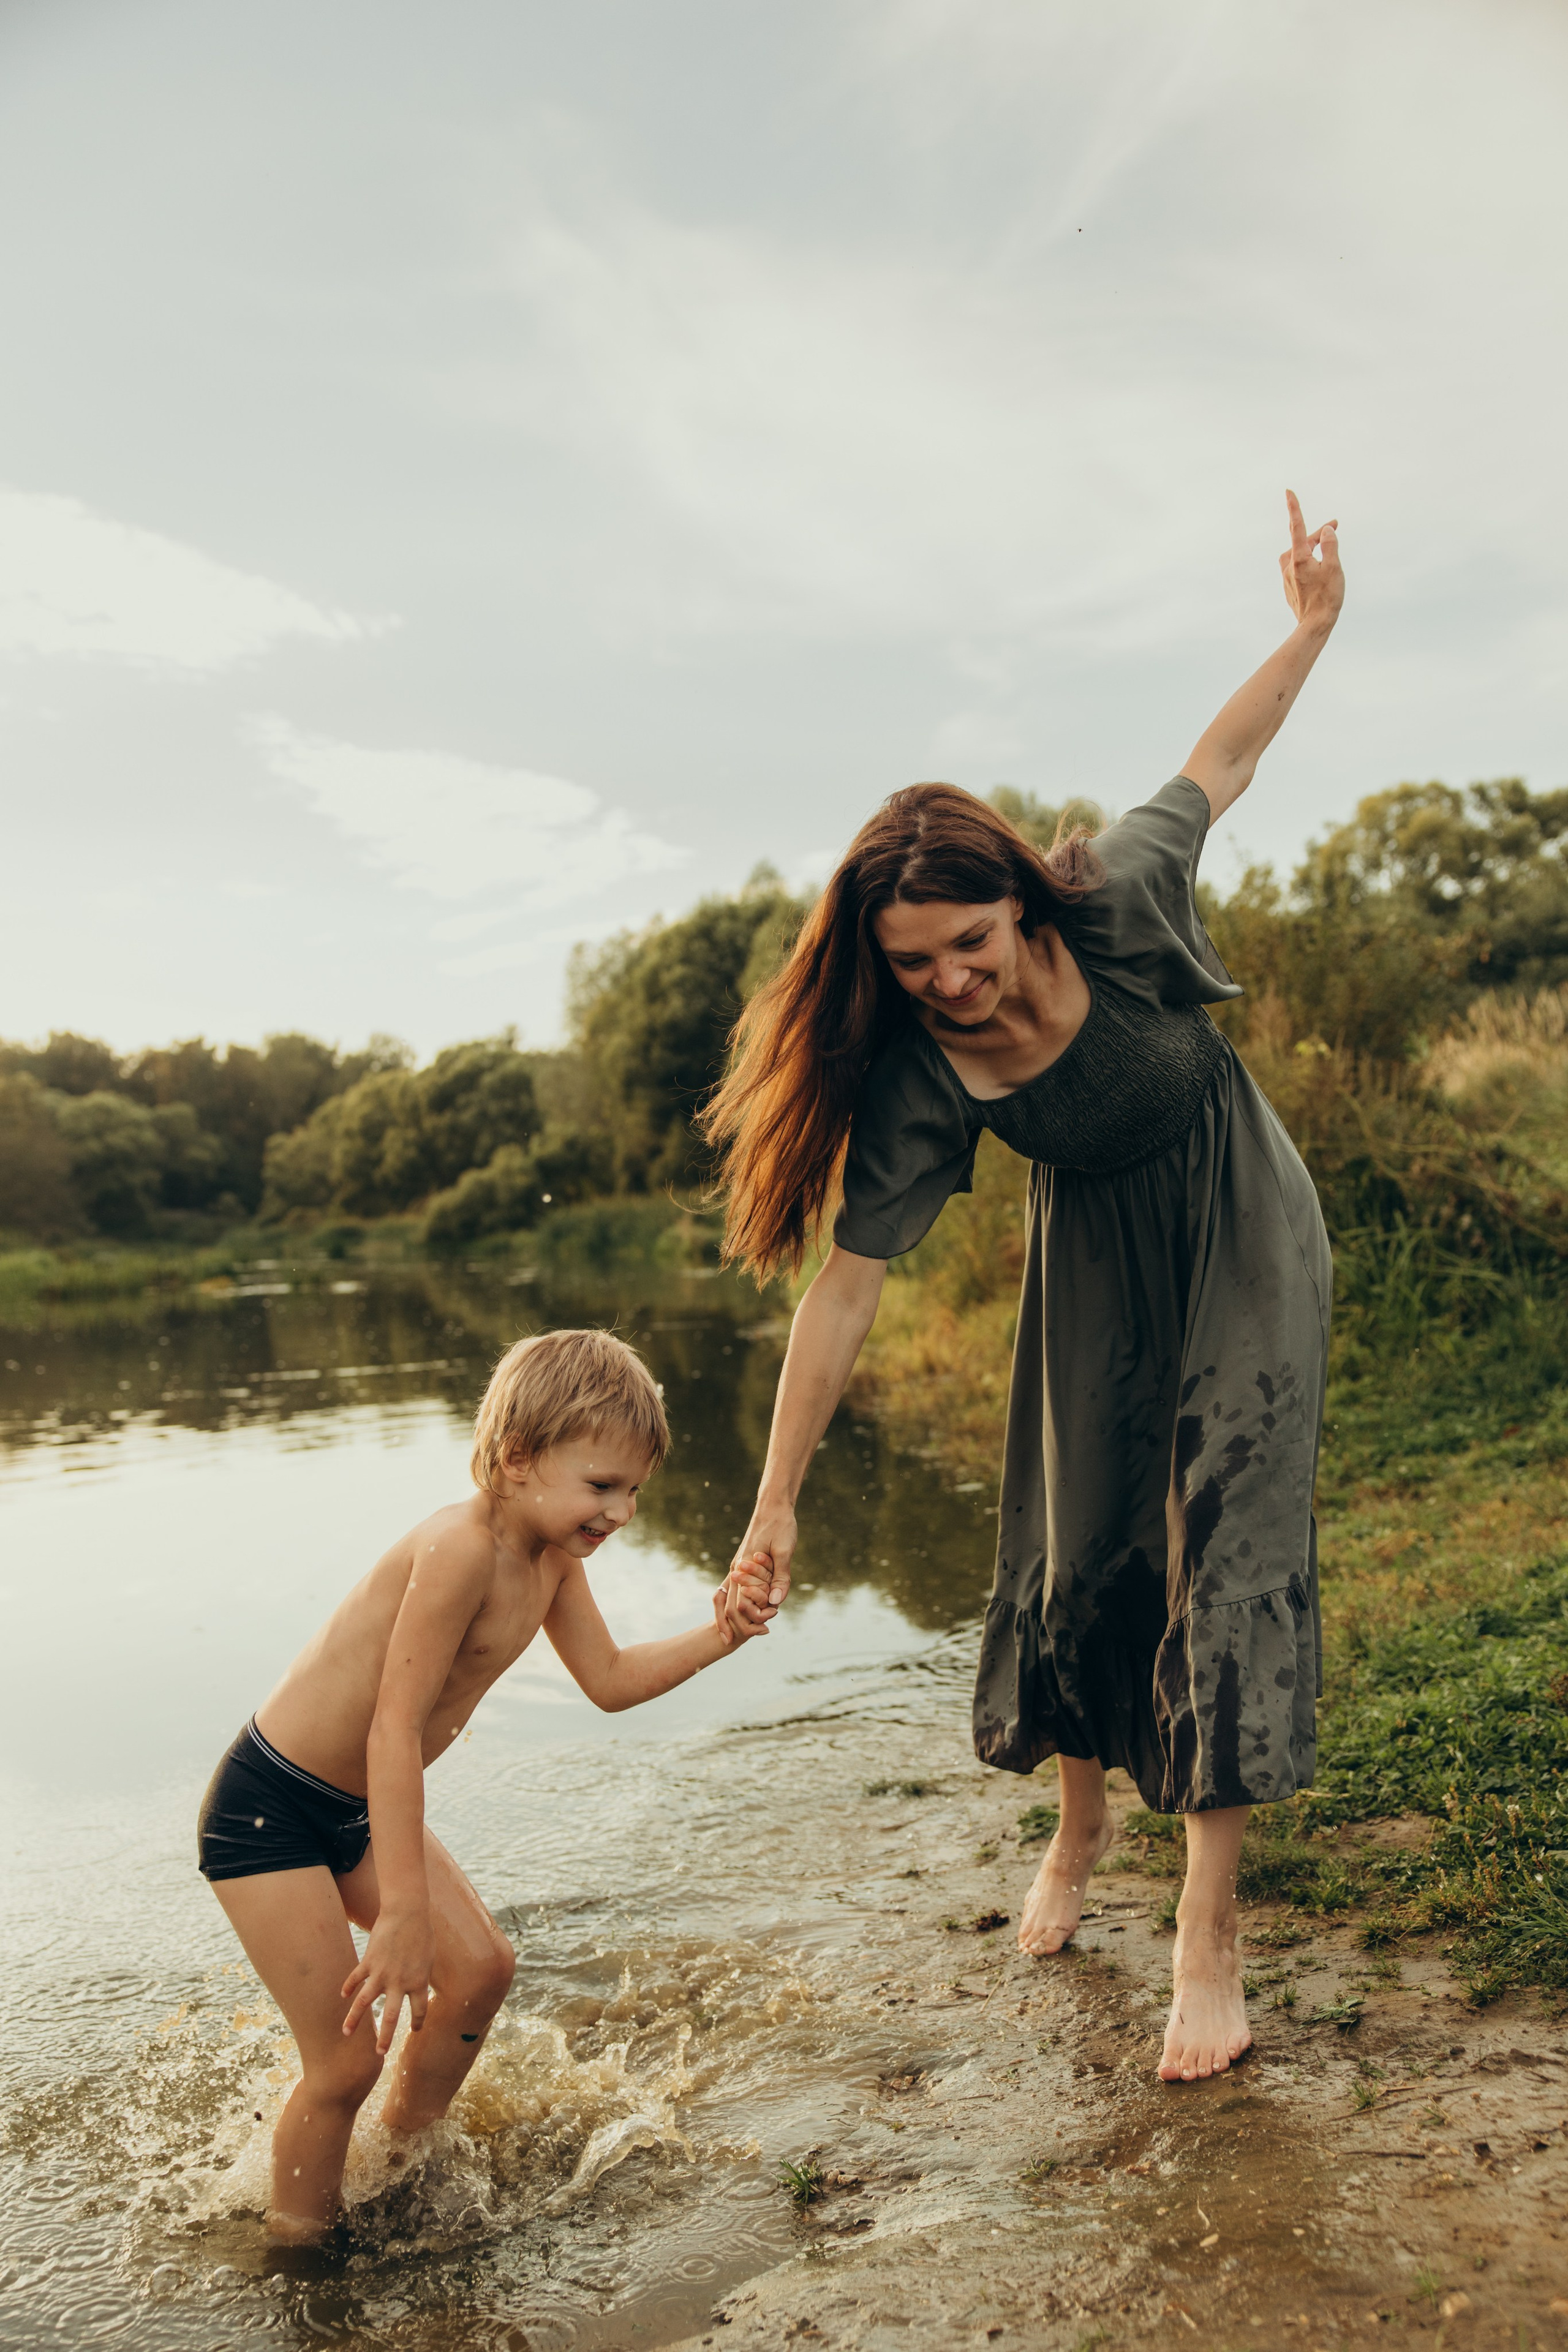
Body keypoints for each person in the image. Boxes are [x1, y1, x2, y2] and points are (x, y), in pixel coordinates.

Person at [707, 492, 1343, 2084]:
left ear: (1019, 902)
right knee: (1079, 1553)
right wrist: (776, 1503)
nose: (953, 981)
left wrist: (1311, 625)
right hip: (1094, 1263)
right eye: (917, 963)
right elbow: (845, 1292)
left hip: (1239, 1218)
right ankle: (1077, 1830)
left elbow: (1227, 757)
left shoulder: (1121, 894)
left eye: (972, 945)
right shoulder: (923, 1067)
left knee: (1228, 1531)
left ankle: (1209, 1934)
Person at [198, 1327, 767, 2242]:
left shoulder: (553, 1558)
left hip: (355, 1806)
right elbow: (393, 1726)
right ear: (517, 1459)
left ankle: (401, 2160)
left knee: (481, 1970)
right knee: (343, 2063)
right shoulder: (461, 1551)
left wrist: (724, 1634)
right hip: (271, 1811)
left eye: (633, 1492)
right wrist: (403, 1913)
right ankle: (295, 2248)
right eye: (601, 1486)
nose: (620, 1513)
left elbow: (612, 1682)